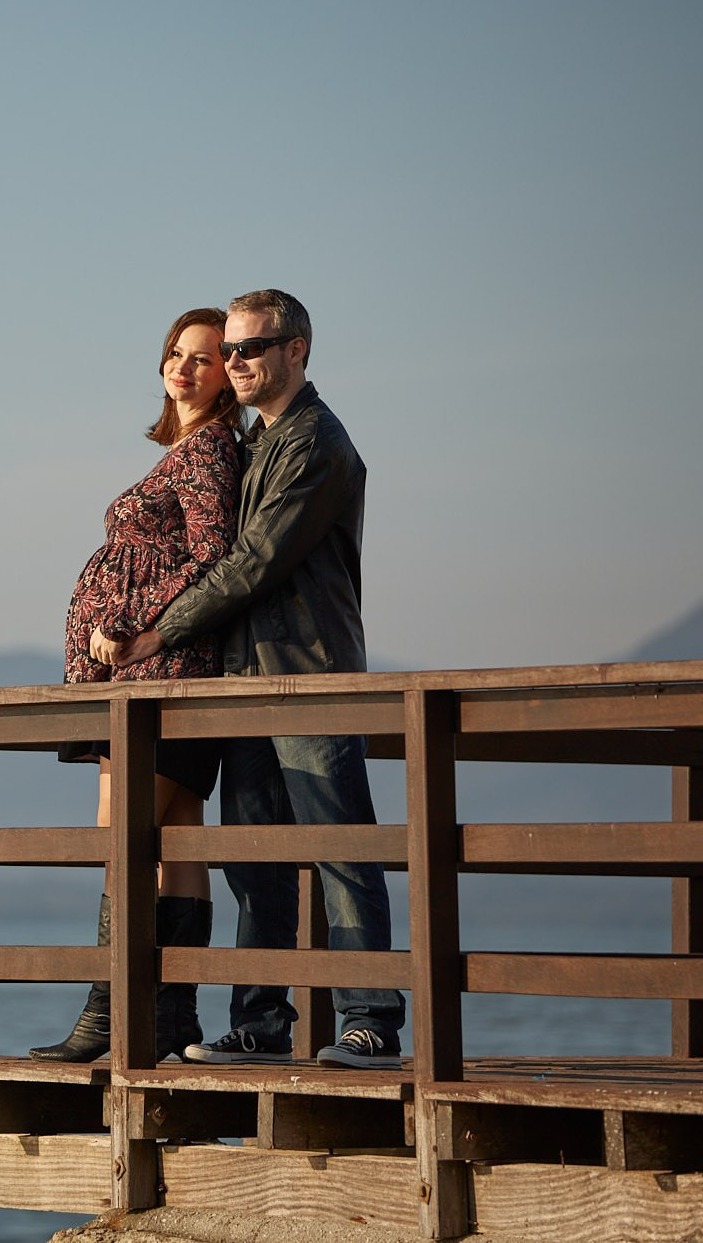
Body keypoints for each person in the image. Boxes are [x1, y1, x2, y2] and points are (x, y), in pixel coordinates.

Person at [104, 288, 405, 1070]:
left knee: (339, 849)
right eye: (229, 350)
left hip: (309, 678)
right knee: (255, 861)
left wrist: (157, 633)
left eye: (251, 348)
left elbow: (256, 563)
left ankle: (371, 1019)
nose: (235, 363)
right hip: (244, 681)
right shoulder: (260, 442)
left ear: (297, 349)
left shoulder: (315, 443)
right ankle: (261, 1022)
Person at [29, 307, 242, 1065]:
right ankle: (169, 1015)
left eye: (206, 358)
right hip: (154, 673)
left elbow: (214, 555)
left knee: (124, 842)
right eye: (175, 354)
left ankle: (106, 1012)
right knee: (173, 839)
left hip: (159, 672)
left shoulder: (211, 451)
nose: (183, 368)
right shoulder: (185, 450)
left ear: (229, 373)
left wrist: (127, 618)